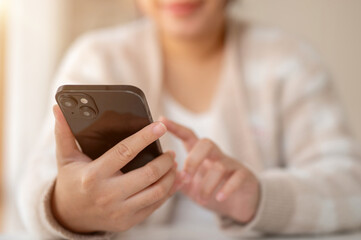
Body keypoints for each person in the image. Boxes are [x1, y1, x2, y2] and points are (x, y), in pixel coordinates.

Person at [18, 0, 361, 239]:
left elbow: (352, 190)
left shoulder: (290, 62)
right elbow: (33, 189)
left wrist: (260, 197)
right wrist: (67, 210)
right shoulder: (96, 58)